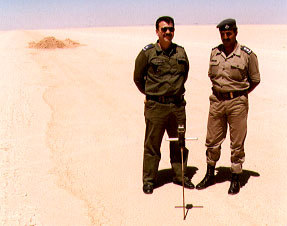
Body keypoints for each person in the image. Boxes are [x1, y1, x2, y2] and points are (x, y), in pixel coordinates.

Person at [195, 18, 260, 195]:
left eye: (229, 33)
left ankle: (235, 178)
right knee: (212, 139)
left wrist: (238, 94)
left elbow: (255, 80)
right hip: (216, 101)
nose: (226, 37)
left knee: (237, 143)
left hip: (237, 102)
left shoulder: (247, 55)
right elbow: (212, 75)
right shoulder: (214, 53)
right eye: (223, 34)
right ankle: (210, 174)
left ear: (236, 32)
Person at [134, 16, 194, 194]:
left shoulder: (181, 53)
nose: (168, 32)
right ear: (157, 32)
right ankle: (149, 180)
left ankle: (179, 175)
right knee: (152, 144)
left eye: (171, 29)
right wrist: (153, 94)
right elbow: (138, 78)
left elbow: (185, 74)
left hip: (177, 107)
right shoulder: (148, 53)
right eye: (164, 29)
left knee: (179, 142)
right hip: (156, 107)